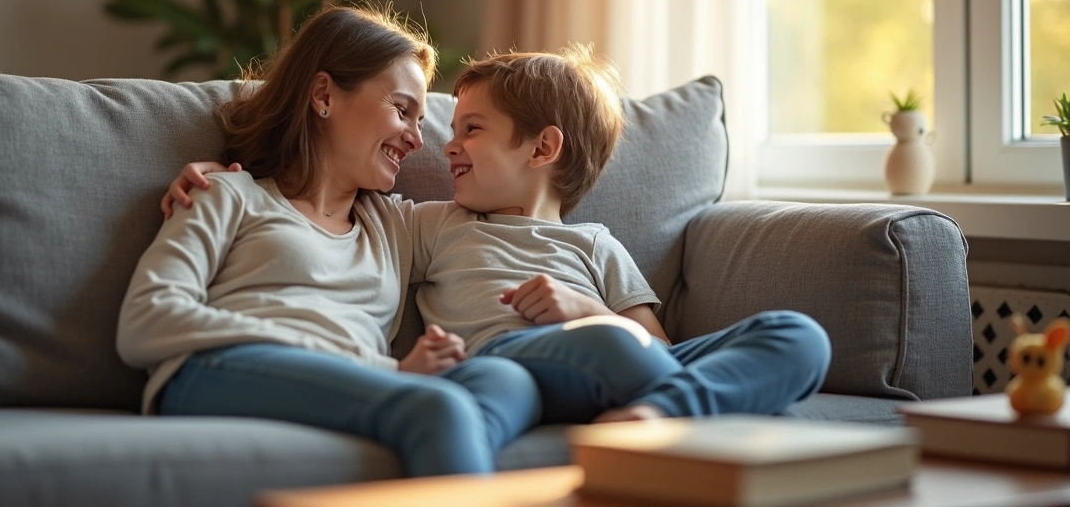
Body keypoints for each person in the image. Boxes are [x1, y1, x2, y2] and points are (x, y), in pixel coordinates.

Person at [166, 44, 832, 426]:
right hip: (503, 367)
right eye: (452, 130)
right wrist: (226, 175)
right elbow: (320, 194)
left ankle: (656, 420)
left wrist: (591, 310)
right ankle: (682, 420)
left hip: (617, 361)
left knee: (800, 336)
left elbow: (654, 346)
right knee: (573, 366)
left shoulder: (597, 245)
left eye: (471, 129)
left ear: (543, 148)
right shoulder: (429, 224)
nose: (446, 146)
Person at [116, 4, 542, 478]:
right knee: (438, 407)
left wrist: (597, 312)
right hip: (215, 370)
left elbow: (517, 221)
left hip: (355, 385)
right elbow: (144, 322)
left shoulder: (398, 226)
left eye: (421, 121)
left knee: (507, 378)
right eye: (402, 110)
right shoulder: (229, 194)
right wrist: (380, 369)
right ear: (324, 94)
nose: (417, 140)